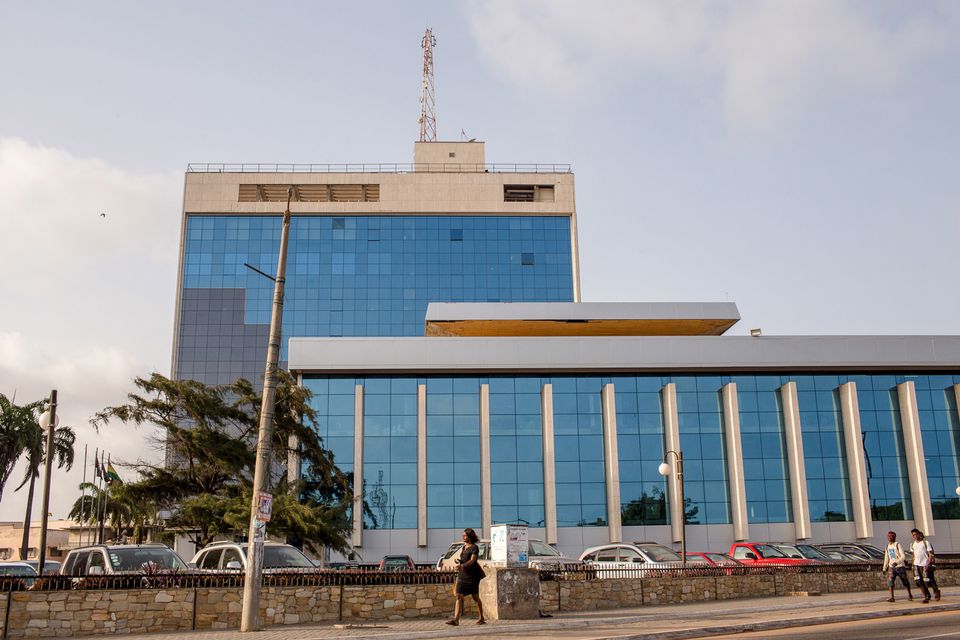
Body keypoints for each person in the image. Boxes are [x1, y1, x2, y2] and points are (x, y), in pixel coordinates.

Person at [446, 528, 486, 626]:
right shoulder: (464, 547)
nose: (463, 537)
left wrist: (462, 566)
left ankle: (481, 618)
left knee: (475, 597)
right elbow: (464, 559)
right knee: (459, 595)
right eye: (463, 535)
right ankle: (456, 620)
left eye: (465, 536)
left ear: (470, 536)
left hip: (473, 575)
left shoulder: (474, 547)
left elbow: (472, 560)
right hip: (463, 574)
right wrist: (459, 562)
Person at [910, 528, 941, 603]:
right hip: (916, 564)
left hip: (925, 564)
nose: (915, 536)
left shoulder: (926, 542)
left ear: (919, 534)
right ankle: (926, 596)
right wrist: (912, 565)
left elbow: (931, 554)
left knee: (927, 581)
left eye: (916, 534)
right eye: (913, 535)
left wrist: (929, 564)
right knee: (918, 581)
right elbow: (914, 555)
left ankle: (936, 591)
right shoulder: (912, 544)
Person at [881, 531, 913, 602]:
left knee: (905, 581)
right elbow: (886, 558)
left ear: (894, 537)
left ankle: (910, 594)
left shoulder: (897, 545)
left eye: (891, 536)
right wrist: (884, 568)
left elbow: (903, 556)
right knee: (890, 582)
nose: (889, 537)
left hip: (900, 566)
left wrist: (897, 562)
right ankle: (892, 597)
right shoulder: (887, 546)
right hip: (891, 567)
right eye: (888, 536)